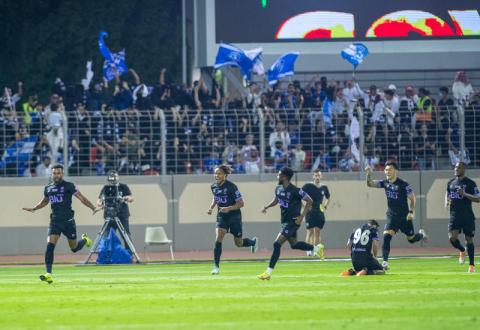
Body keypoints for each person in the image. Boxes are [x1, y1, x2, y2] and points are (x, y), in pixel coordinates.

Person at [22, 164, 100, 284]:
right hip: (55, 222)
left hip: (68, 222)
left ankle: (85, 240)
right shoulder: (48, 188)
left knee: (74, 248)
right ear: (51, 174)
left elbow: (82, 198)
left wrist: (93, 208)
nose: (56, 175)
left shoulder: (69, 186)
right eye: (54, 173)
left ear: (62, 174)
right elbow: (45, 201)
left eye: (58, 173)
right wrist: (35, 208)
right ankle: (48, 273)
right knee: (50, 246)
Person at [366, 160, 428, 270]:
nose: (387, 172)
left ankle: (421, 235)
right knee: (386, 236)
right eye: (386, 170)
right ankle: (385, 262)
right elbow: (370, 184)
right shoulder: (385, 183)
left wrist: (411, 212)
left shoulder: (404, 184)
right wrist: (369, 174)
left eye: (390, 169)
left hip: (404, 217)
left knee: (411, 239)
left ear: (396, 171)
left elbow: (413, 198)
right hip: (392, 216)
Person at [257, 167, 317, 280]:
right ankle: (316, 249)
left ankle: (268, 273)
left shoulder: (295, 190)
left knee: (276, 244)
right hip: (284, 221)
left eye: (279, 174)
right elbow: (276, 200)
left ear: (284, 177)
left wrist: (301, 217)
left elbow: (310, 200)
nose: (277, 176)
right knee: (294, 244)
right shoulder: (278, 188)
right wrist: (267, 207)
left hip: (294, 221)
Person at [207, 165, 258, 275]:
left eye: (219, 173)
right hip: (221, 217)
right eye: (215, 173)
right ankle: (216, 267)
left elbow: (241, 203)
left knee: (238, 243)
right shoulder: (213, 187)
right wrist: (211, 207)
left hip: (234, 217)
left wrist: (229, 208)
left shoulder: (232, 187)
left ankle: (253, 242)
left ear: (225, 175)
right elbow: (216, 197)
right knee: (218, 239)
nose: (217, 175)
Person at [445, 162, 479, 273]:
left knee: (469, 239)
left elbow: (478, 199)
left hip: (467, 215)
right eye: (455, 167)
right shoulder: (451, 182)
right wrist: (446, 201)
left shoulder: (470, 183)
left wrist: (465, 194)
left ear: (464, 169)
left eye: (459, 167)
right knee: (452, 238)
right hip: (454, 215)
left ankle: (471, 265)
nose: (456, 169)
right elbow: (448, 193)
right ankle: (462, 250)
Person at [97, 170, 134, 250]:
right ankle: (107, 256)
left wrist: (125, 198)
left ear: (118, 177)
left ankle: (130, 255)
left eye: (115, 176)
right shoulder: (105, 188)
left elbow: (131, 198)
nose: (114, 178)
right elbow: (99, 200)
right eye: (112, 176)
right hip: (109, 215)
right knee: (107, 236)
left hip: (122, 215)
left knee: (126, 235)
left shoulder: (123, 186)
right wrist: (100, 203)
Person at [302, 169, 330, 258]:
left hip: (319, 212)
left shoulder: (324, 187)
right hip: (309, 212)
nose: (317, 177)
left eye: (319, 175)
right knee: (309, 232)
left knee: (317, 232)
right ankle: (308, 250)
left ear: (321, 176)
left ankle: (315, 250)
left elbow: (328, 198)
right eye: (316, 175)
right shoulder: (308, 186)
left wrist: (325, 206)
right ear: (313, 176)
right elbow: (299, 196)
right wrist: (304, 207)